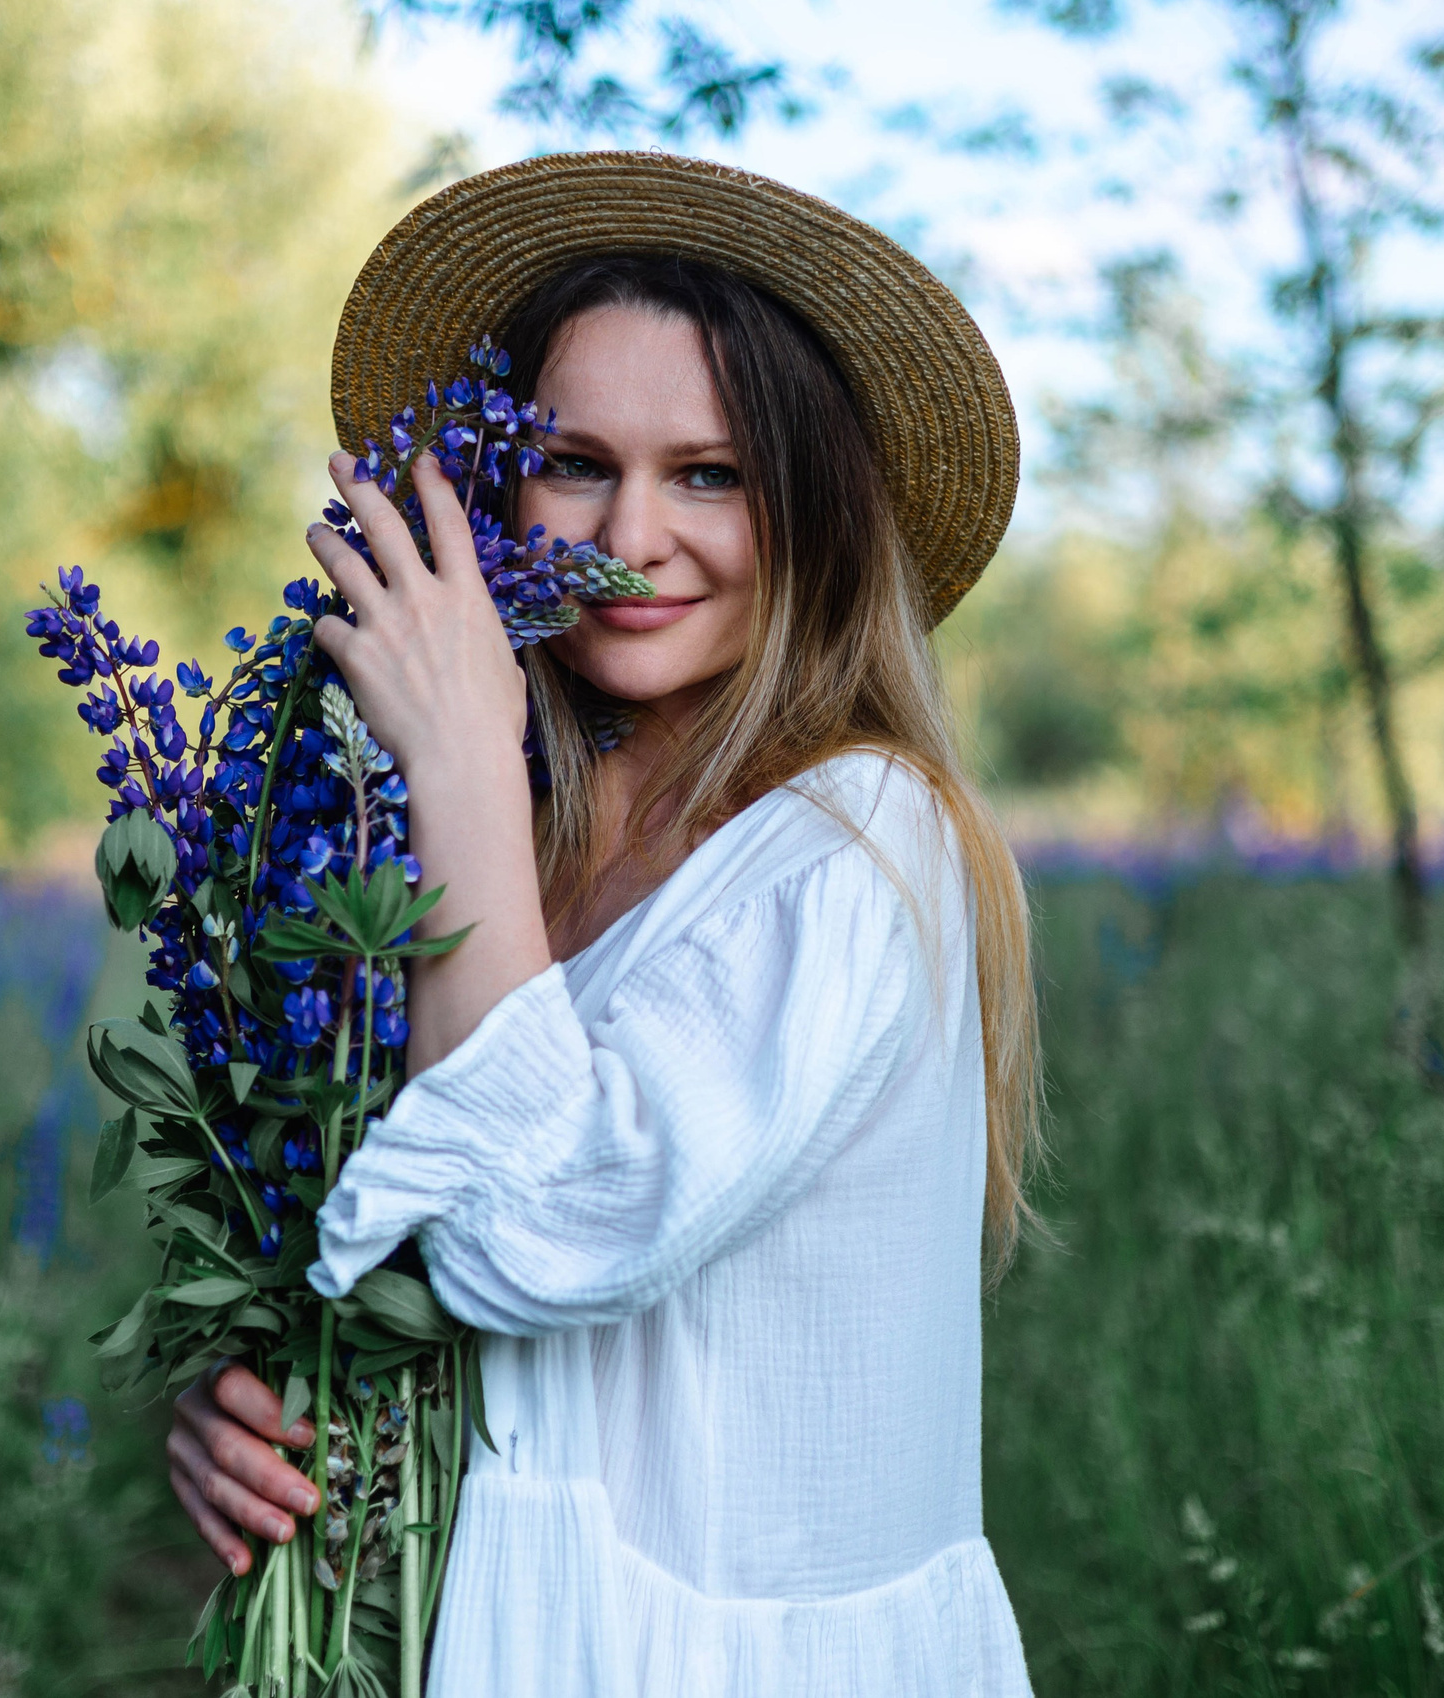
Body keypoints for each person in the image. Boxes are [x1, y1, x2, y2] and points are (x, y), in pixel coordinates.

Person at [164, 152, 1039, 1697]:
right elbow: (402, 1260)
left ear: (815, 512)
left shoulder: (854, 843)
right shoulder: (493, 825)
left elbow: (548, 1233)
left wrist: (452, 760)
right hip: (502, 1632)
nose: (631, 533)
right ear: (497, 492)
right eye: (575, 461)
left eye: (712, 475)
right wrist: (264, 1408)